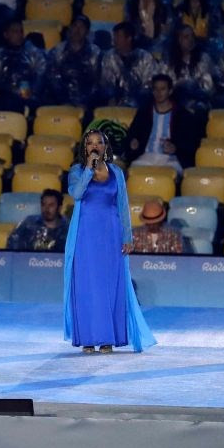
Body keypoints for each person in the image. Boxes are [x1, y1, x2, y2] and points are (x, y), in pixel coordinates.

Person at [63, 129, 156, 354]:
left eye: (99, 143)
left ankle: (106, 338)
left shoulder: (117, 172)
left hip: (111, 234)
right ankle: (87, 338)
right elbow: (76, 194)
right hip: (85, 236)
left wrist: (128, 236)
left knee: (109, 285)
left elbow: (122, 205)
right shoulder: (77, 171)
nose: (95, 146)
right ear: (84, 148)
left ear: (106, 147)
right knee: (87, 285)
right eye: (90, 143)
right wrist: (89, 169)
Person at [124, 74, 201, 174]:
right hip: (146, 157)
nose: (158, 93)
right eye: (155, 89)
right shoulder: (144, 112)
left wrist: (175, 148)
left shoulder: (182, 115)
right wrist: (133, 142)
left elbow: (191, 143)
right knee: (134, 173)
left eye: (162, 89)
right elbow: (132, 134)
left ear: (170, 91)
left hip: (171, 160)